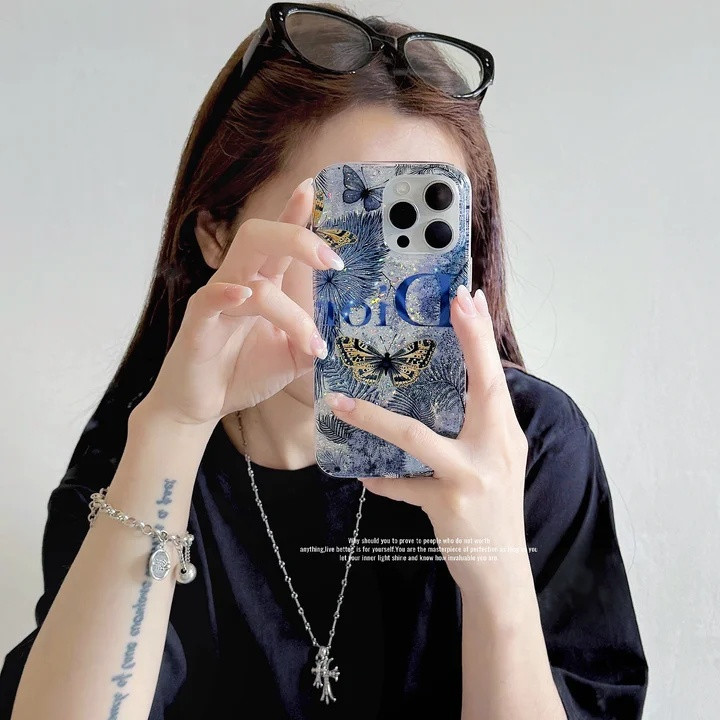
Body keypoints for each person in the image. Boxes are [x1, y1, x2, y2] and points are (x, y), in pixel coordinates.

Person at [0, 3, 649, 719]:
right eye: (343, 224)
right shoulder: (144, 452)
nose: (383, 284)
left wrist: (496, 577)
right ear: (217, 235)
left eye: (422, 232)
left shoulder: (529, 445)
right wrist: (173, 431)